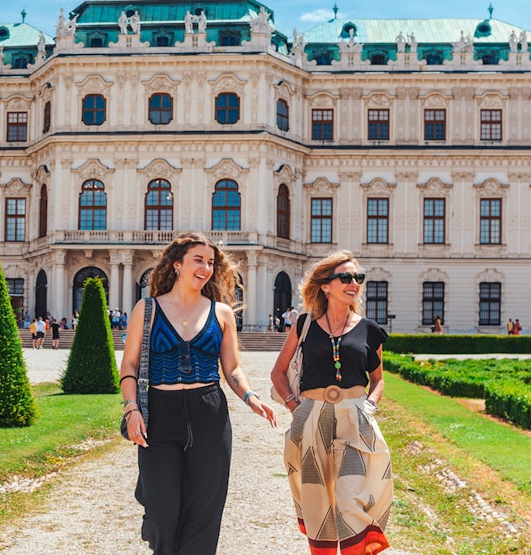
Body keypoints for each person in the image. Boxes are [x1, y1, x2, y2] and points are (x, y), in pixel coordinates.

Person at [120, 231, 277, 554]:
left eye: (210, 262)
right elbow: (130, 366)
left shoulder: (221, 313)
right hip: (160, 415)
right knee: (163, 512)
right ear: (177, 264)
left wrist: (250, 397)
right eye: (198, 260)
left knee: (205, 511)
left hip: (209, 414)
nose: (205, 268)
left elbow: (232, 369)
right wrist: (131, 408)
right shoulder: (146, 309)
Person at [271, 250, 392, 555]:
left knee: (352, 498)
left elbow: (377, 379)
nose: (354, 283)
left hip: (355, 419)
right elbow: (278, 371)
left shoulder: (369, 330)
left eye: (358, 278)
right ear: (325, 286)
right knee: (318, 503)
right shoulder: (304, 324)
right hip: (311, 419)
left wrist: (371, 405)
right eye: (346, 277)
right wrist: (293, 406)